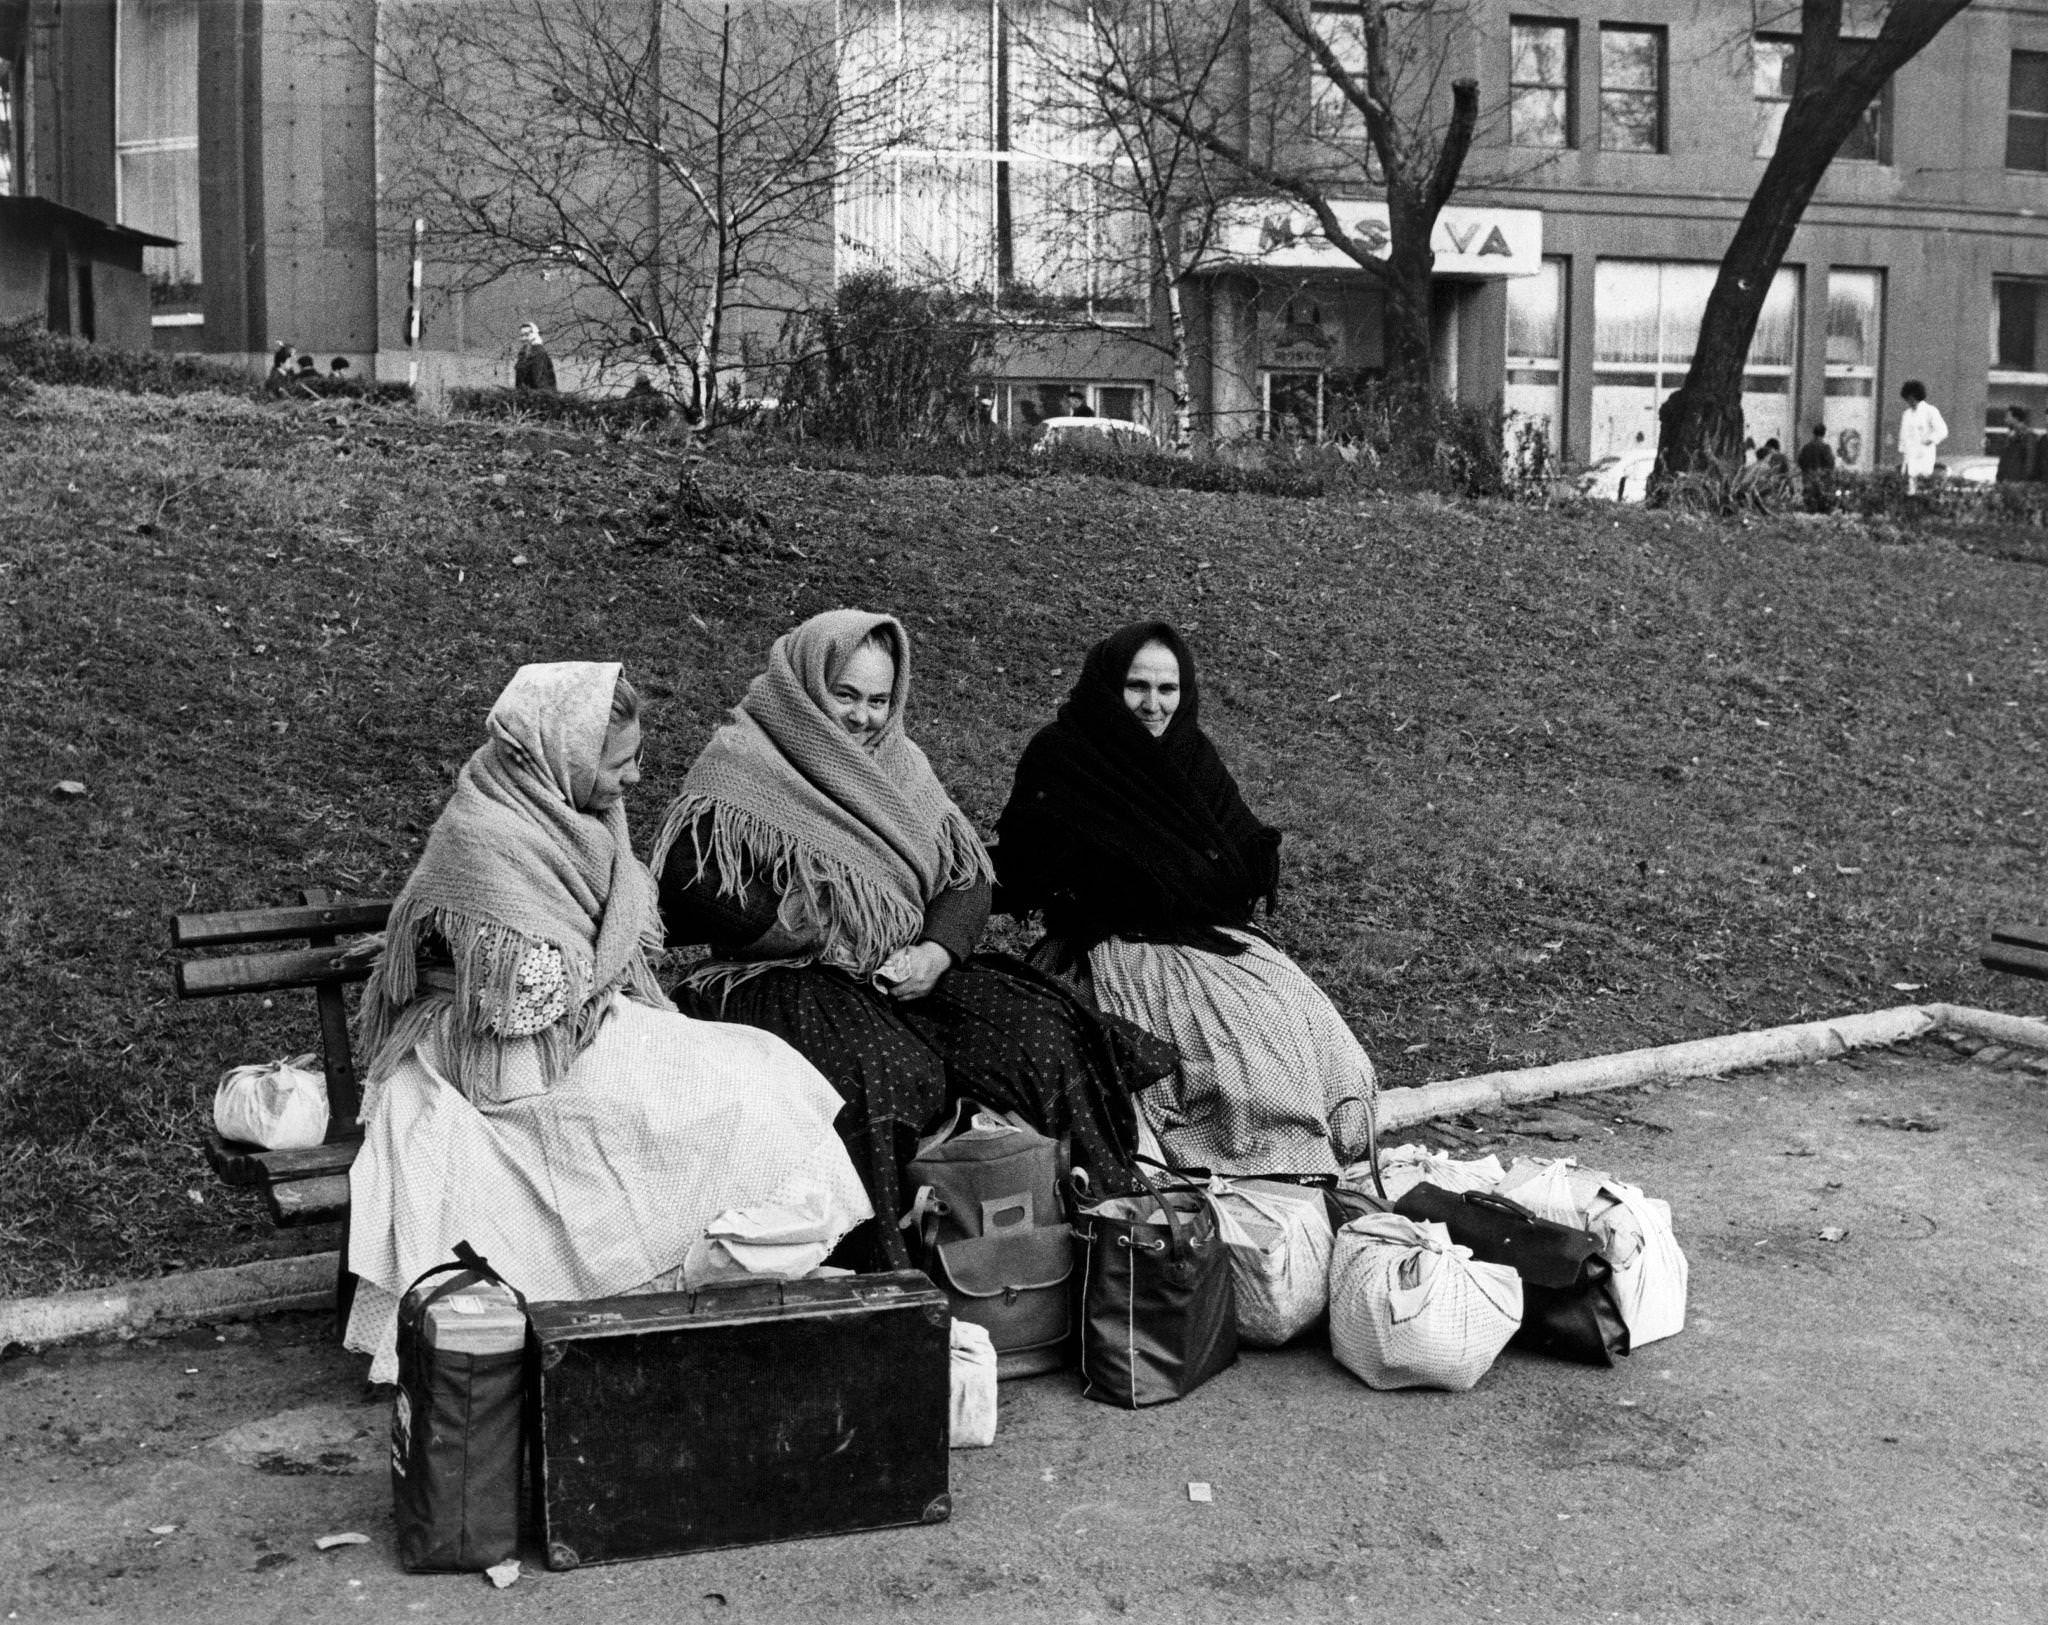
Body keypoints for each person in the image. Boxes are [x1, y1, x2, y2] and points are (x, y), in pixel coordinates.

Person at [343, 661, 869, 1383]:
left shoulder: (582, 816)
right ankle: (650, 1287)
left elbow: (609, 945)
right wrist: (599, 969)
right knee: (698, 1111)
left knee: (764, 1070)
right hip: (497, 1057)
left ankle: (709, 1282)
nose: (635, 779)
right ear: (564, 755)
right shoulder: (486, 834)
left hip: (578, 1020)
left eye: (637, 758)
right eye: (620, 762)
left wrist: (598, 970)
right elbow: (513, 1001)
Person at [652, 610, 1166, 1262]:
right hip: (785, 978)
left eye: (878, 700)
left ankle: (1104, 1236)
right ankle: (897, 1273)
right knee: (888, 1070)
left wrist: (937, 950)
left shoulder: (899, 763)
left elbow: (966, 876)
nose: (863, 717)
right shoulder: (746, 760)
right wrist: (814, 929)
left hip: (903, 967)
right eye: (845, 695)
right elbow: (691, 884)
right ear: (807, 683)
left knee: (1040, 1031)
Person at [993, 622, 1379, 1178]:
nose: (1153, 705)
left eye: (1167, 689)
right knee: (1230, 1073)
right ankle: (1225, 1190)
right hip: (1113, 951)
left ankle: (1312, 1176)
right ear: (1108, 685)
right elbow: (1030, 864)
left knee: (1313, 1043)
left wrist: (1187, 872)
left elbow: (1239, 851)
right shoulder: (1065, 754)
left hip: (1206, 939)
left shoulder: (1191, 752)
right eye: (1137, 686)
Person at [1898, 379, 1947, 492]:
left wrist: (1930, 439)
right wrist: (1903, 453)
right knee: (1909, 491)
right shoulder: (1906, 415)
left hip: (1924, 457)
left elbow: (1942, 430)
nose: (1908, 401)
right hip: (1909, 459)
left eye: (1910, 397)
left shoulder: (1930, 411)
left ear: (1914, 396)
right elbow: (1903, 437)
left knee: (1923, 489)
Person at [1795, 423, 1837, 513]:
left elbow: (1800, 462)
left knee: (1809, 507)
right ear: (1824, 434)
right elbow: (1831, 464)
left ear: (1813, 433)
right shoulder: (1825, 448)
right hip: (1821, 483)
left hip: (1808, 481)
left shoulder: (1806, 447)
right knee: (1823, 508)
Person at [1996, 405, 2042, 483]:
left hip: (2018, 482)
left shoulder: (2028, 436)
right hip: (2006, 480)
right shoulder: (2010, 436)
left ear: (2016, 418)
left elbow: (2030, 460)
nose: (2005, 420)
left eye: (2008, 417)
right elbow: (2005, 459)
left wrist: (2025, 479)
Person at [513, 322, 558, 393]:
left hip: (540, 396)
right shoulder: (523, 353)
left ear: (534, 335)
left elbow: (537, 379)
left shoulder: (539, 353)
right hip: (526, 395)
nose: (523, 338)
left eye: (526, 335)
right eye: (522, 335)